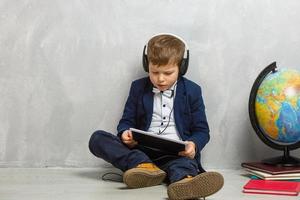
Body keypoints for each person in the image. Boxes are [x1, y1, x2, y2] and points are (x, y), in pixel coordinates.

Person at [89, 33, 224, 199]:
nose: (160, 79)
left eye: (168, 73)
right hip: (141, 151)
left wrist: (193, 145)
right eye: (155, 72)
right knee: (98, 139)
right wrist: (125, 133)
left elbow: (202, 130)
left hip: (176, 154)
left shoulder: (193, 91)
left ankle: (186, 182)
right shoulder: (138, 87)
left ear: (181, 68)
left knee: (183, 165)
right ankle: (146, 168)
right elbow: (126, 121)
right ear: (147, 66)